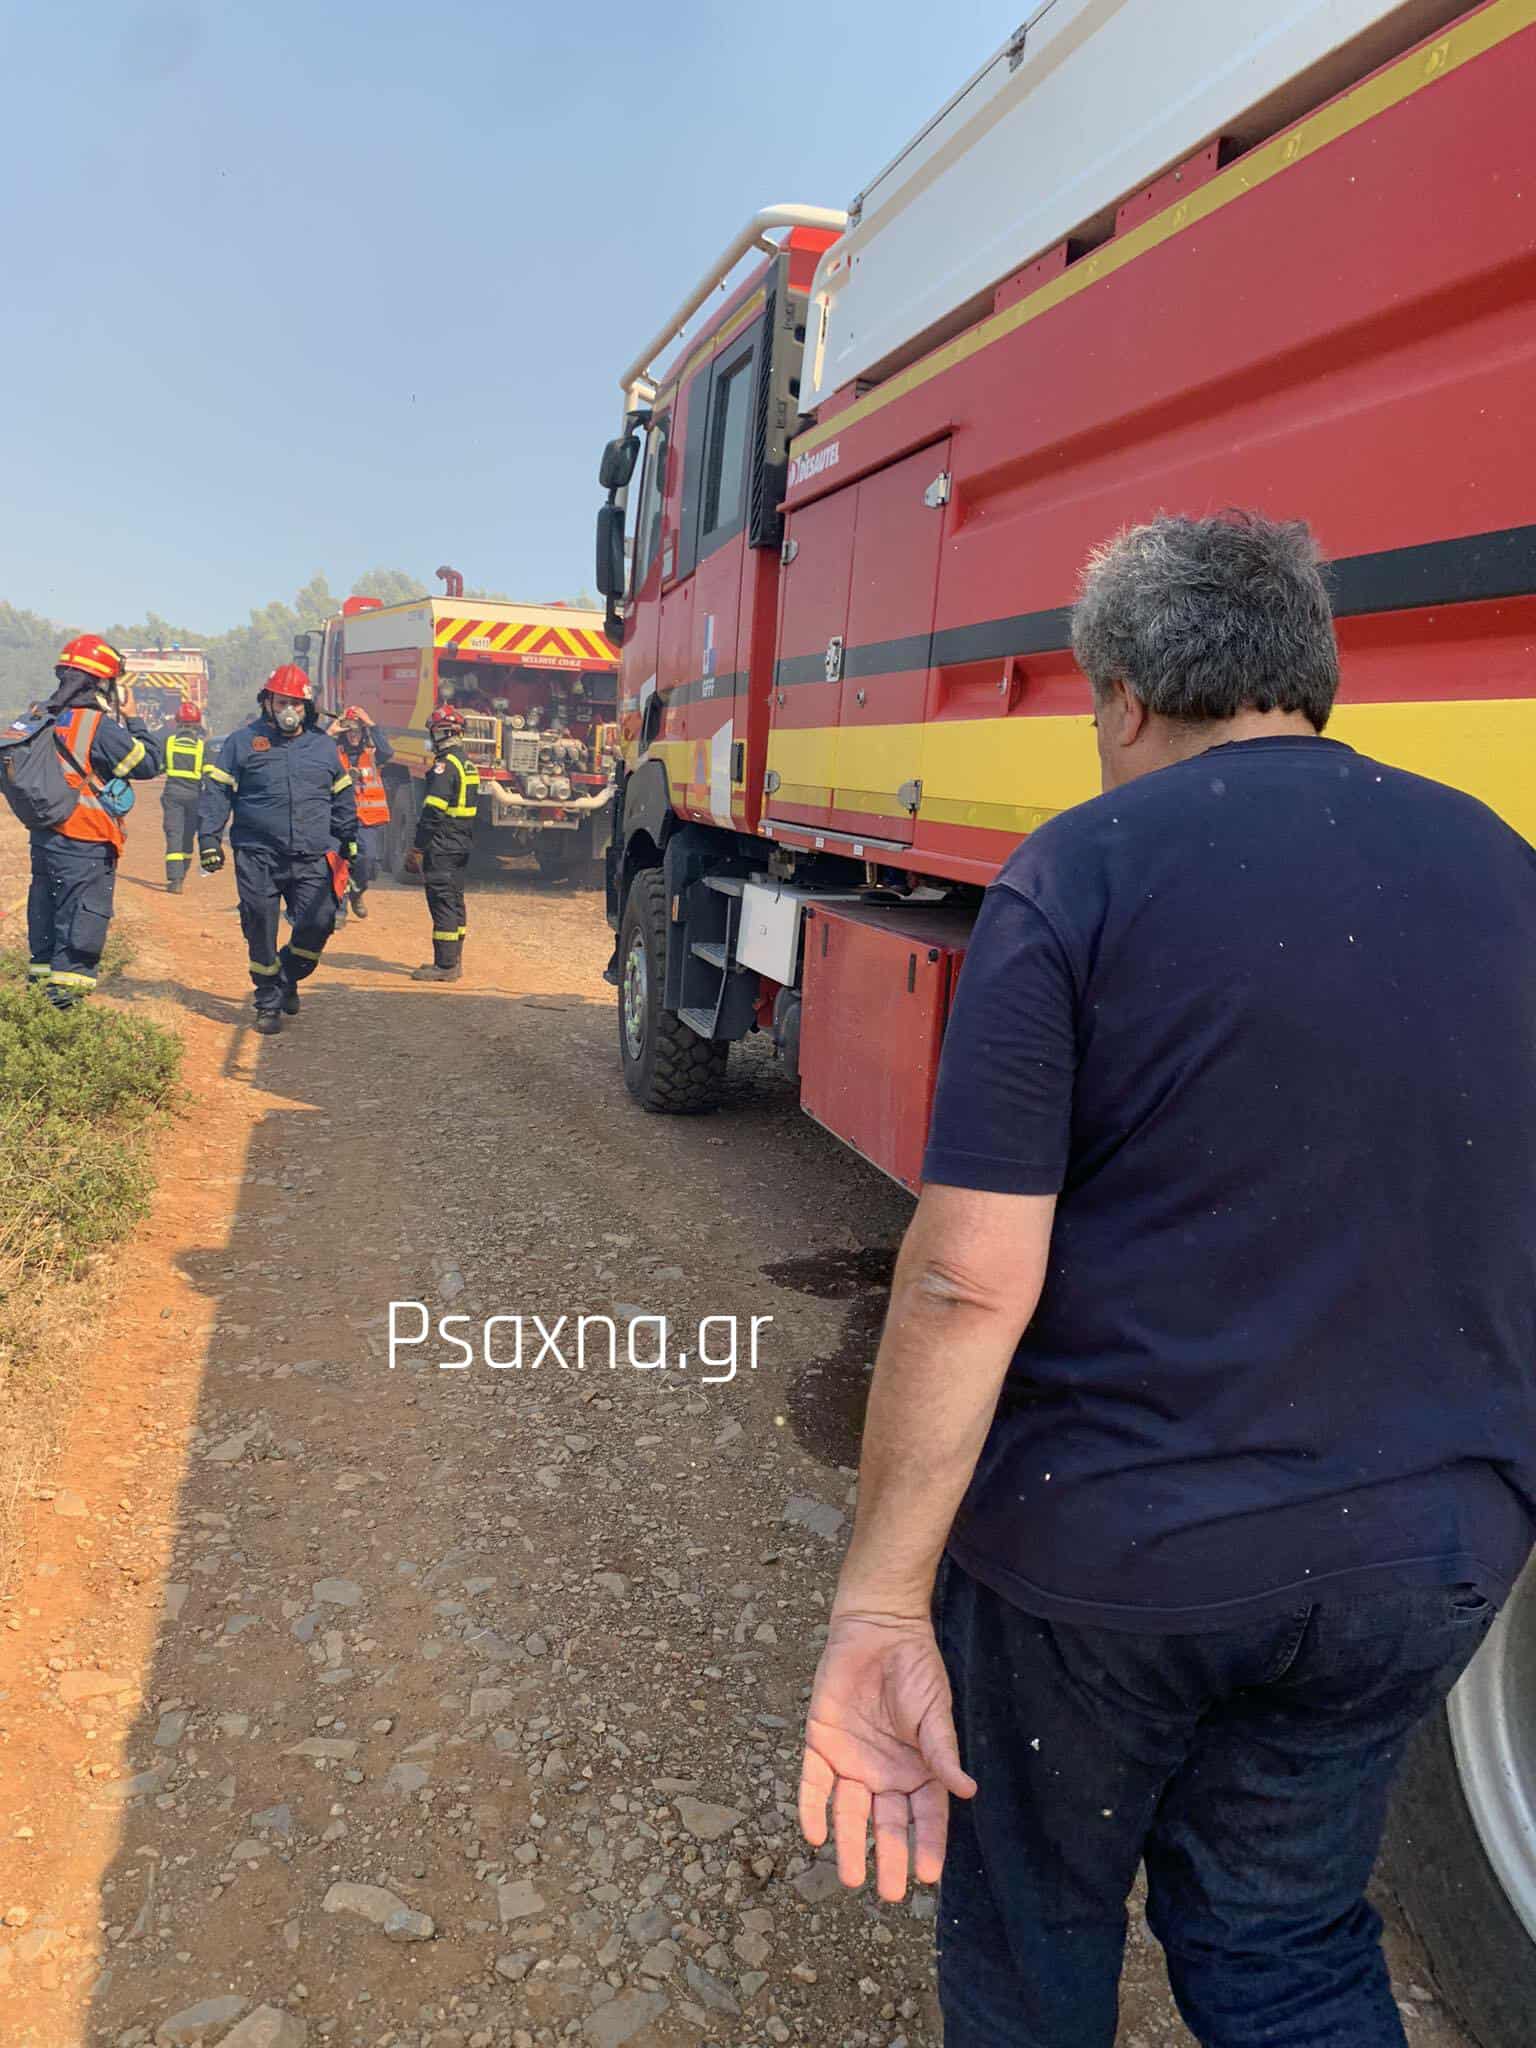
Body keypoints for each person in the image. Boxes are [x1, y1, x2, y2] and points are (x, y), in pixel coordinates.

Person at [796, 512, 1536, 2048]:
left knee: (1036, 1940)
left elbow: (965, 1282)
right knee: (1288, 1944)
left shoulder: (1085, 870)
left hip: (1112, 1562)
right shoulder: (1503, 865)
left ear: (1125, 697)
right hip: (1422, 1559)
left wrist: (880, 1601)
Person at [198, 665, 359, 1037]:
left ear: (307, 707)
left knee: (319, 923)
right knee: (259, 925)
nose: (289, 710)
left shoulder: (323, 746)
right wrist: (208, 839)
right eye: (282, 701)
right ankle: (267, 1001)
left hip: (312, 855)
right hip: (258, 855)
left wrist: (348, 836)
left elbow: (342, 795)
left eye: (296, 703)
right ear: (268, 702)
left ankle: (286, 976)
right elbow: (218, 791)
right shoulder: (242, 742)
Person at [25, 636, 163, 1007]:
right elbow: (150, 763)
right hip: (86, 843)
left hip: (43, 839)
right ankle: (64, 1016)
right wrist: (133, 717)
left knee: (45, 928)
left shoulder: (39, 716)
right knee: (78, 934)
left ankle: (36, 1010)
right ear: (102, 683)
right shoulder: (96, 726)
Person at [405, 704, 479, 983]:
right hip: (461, 842)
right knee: (455, 900)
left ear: (442, 733)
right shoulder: (466, 763)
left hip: (443, 844)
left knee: (443, 902)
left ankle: (445, 965)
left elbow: (433, 811)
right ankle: (454, 960)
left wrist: (418, 846)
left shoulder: (445, 766)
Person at [328, 705, 393, 922]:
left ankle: (357, 893)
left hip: (367, 820)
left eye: (357, 730)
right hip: (339, 819)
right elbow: (312, 756)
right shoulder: (333, 753)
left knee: (367, 861)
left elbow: (388, 752)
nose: (354, 735)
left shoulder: (373, 754)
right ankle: (340, 909)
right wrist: (329, 732)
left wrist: (371, 723)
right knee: (339, 861)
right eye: (349, 730)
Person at [161, 699, 207, 892]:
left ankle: (176, 880)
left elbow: (159, 766)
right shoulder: (202, 746)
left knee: (174, 835)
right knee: (188, 837)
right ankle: (183, 873)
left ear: (178, 722)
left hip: (173, 794)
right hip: (194, 796)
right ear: (197, 724)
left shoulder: (169, 743)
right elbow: (209, 774)